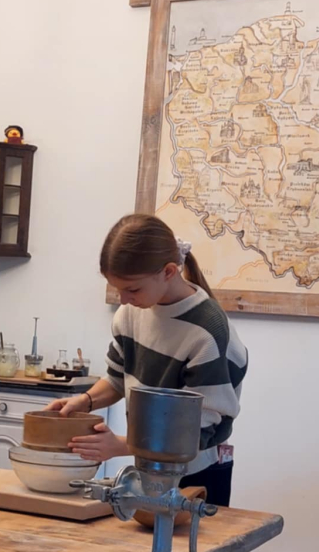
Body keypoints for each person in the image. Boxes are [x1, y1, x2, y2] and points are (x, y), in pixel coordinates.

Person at [45, 214, 247, 506]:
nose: (123, 299)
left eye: (132, 289)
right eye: (118, 289)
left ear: (168, 272)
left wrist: (122, 446)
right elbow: (118, 378)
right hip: (149, 469)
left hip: (198, 475)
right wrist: (85, 401)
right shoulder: (131, 313)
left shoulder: (208, 333)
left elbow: (195, 434)